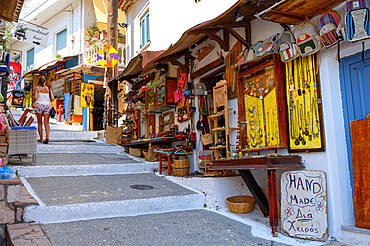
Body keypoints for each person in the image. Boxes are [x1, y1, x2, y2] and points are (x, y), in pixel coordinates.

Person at [34, 76, 54, 144]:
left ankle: (41, 138)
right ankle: (47, 137)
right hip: (47, 106)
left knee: (40, 123)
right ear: (45, 81)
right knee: (46, 123)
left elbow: (36, 97)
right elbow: (52, 98)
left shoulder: (37, 88)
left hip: (39, 105)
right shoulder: (48, 88)